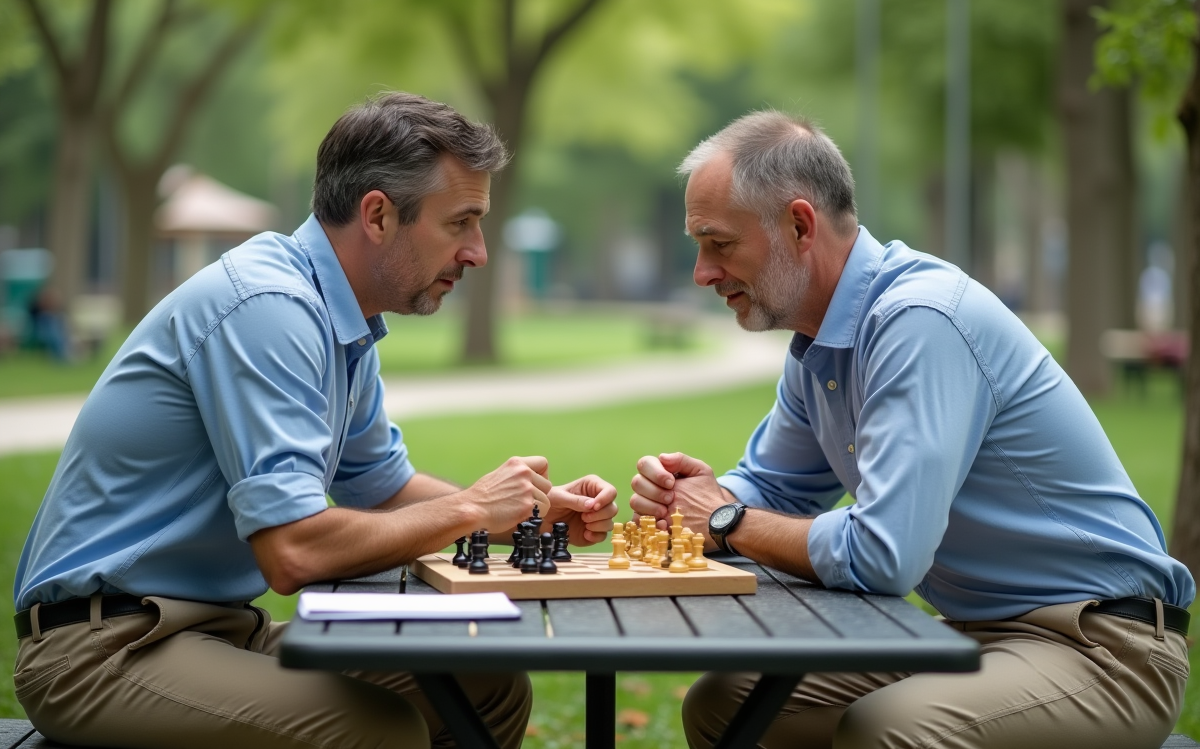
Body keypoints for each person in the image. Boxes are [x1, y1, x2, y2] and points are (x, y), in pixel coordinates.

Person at [13, 91, 618, 749]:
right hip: (103, 650)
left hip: (214, 632)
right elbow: (293, 551)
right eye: (460, 224)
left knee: (486, 686)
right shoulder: (269, 307)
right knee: (374, 730)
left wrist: (528, 515)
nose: (478, 253)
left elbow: (383, 489)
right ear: (379, 215)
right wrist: (473, 510)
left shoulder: (341, 321)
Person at [630, 110, 1195, 749]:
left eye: (719, 243)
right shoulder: (822, 343)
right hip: (974, 633)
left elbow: (883, 553)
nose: (702, 272)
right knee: (729, 703)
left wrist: (725, 521)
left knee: (891, 730)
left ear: (798, 224)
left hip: (1103, 648)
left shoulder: (919, 322)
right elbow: (771, 489)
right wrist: (692, 499)